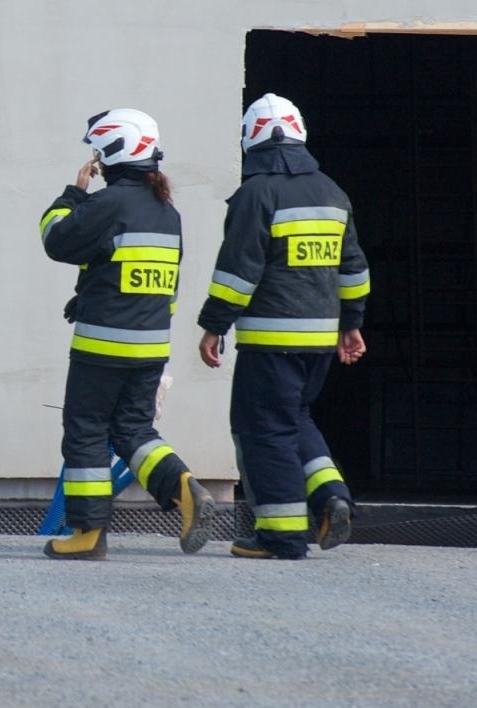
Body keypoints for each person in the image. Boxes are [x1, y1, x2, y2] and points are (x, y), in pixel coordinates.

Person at [197, 93, 368, 559]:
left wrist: (215, 325)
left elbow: (238, 270)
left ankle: (282, 535)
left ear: (251, 139)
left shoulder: (257, 193)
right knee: (295, 419)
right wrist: (350, 324)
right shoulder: (333, 192)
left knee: (263, 430)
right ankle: (332, 496)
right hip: (318, 341)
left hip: (271, 340)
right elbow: (353, 269)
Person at [37, 109, 214, 560]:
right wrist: (91, 292)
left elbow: (56, 239)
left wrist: (73, 192)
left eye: (99, 151)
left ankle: (87, 533)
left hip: (102, 345)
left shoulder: (106, 204)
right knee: (134, 430)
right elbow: (151, 281)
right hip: (151, 343)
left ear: (114, 151)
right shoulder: (167, 213)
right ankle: (183, 487)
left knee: (86, 430)